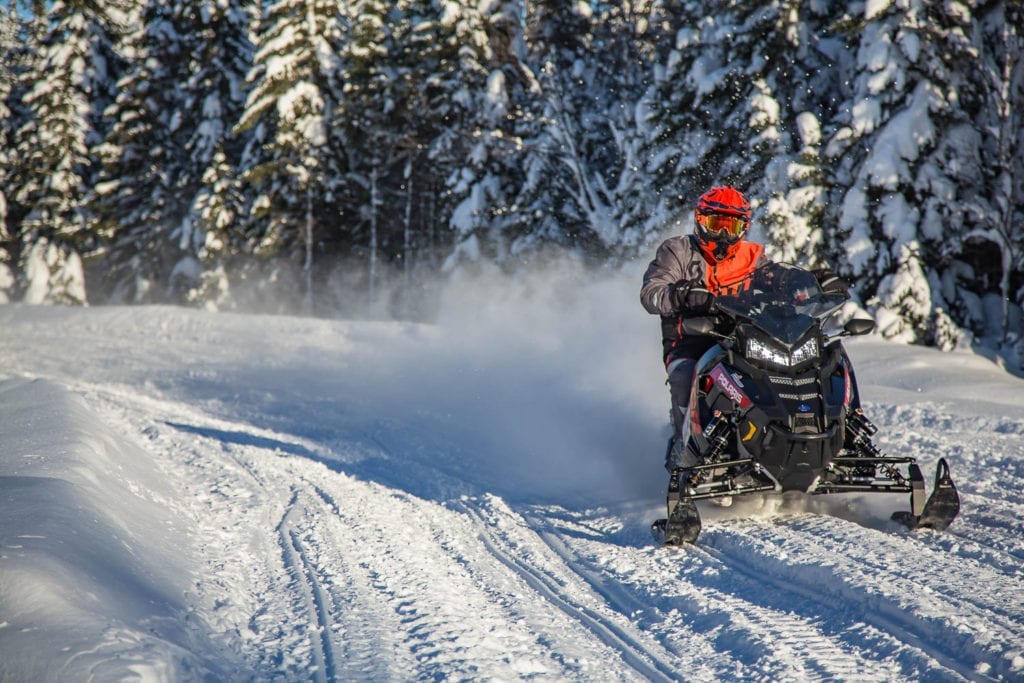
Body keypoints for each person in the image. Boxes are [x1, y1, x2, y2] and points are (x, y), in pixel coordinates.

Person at [640, 185, 850, 470]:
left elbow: (773, 277)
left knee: (809, 364)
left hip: (744, 333)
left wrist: (809, 282)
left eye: (731, 226)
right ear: (700, 221)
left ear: (744, 227)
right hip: (692, 336)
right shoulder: (677, 251)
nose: (722, 235)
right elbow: (652, 292)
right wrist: (683, 295)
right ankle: (685, 446)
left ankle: (829, 435)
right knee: (685, 376)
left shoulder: (750, 256)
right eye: (715, 225)